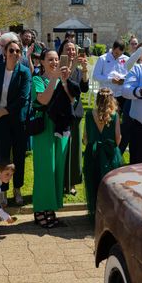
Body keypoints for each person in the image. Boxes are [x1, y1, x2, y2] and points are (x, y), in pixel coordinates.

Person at [31, 48, 79, 228]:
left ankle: (50, 209)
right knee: (45, 170)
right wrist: (54, 78)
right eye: (50, 59)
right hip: (44, 128)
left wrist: (64, 80)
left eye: (57, 59)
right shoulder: (37, 79)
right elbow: (43, 100)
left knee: (57, 170)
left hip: (61, 128)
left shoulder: (61, 79)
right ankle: (39, 211)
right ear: (42, 62)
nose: (54, 63)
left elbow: (72, 101)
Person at [0, 34, 32, 205]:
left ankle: (17, 189)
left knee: (18, 156)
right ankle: (2, 191)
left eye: (18, 51)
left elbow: (23, 98)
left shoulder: (24, 72)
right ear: (5, 52)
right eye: (11, 50)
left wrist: (2, 112)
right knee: (2, 157)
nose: (15, 53)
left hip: (17, 120)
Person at [83, 88, 122, 219]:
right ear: (112, 100)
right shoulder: (115, 115)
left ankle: (96, 213)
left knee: (93, 183)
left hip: (93, 154)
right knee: (110, 184)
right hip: (110, 153)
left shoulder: (89, 114)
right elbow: (118, 138)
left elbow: (85, 138)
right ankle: (109, 214)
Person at [58, 39, 89, 195]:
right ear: (61, 51)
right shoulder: (58, 68)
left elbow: (83, 89)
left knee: (75, 151)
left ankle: (72, 183)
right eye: (67, 49)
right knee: (62, 150)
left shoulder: (77, 70)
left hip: (75, 113)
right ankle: (60, 180)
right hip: (61, 114)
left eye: (73, 49)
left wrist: (84, 70)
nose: (70, 52)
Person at [92, 40, 129, 109]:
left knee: (119, 118)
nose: (118, 56)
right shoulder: (102, 58)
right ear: (112, 48)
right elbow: (95, 76)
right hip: (106, 94)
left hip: (121, 94)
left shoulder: (126, 59)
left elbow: (130, 75)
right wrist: (110, 80)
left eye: (121, 54)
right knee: (105, 118)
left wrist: (124, 80)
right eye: (116, 53)